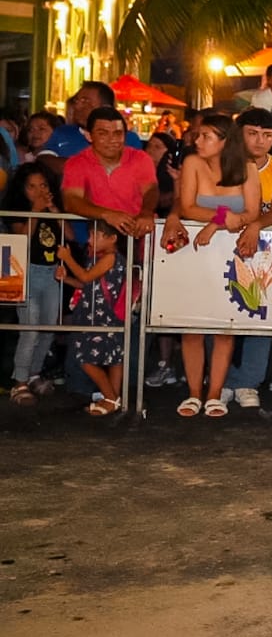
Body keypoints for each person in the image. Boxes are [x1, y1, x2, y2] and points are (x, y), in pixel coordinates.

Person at [173, 114, 260, 417]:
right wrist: (221, 219)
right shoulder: (193, 164)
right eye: (198, 136)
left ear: (225, 141)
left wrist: (215, 224)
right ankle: (194, 393)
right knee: (192, 328)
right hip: (196, 254)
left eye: (206, 136)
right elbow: (186, 207)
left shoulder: (247, 169)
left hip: (230, 255)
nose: (197, 141)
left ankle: (214, 394)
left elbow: (252, 212)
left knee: (225, 327)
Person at [216, 108, 272, 410]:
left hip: (264, 249)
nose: (260, 140)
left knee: (258, 313)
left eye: (267, 135)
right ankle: (221, 380)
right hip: (222, 245)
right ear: (240, 134)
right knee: (218, 315)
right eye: (253, 133)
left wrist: (254, 225)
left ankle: (248, 381)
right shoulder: (221, 164)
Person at [56, 220, 129, 415]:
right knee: (114, 358)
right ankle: (113, 398)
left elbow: (87, 278)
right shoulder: (103, 259)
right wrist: (67, 279)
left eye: (95, 235)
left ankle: (110, 397)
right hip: (104, 315)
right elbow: (86, 284)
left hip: (100, 317)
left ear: (113, 238)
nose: (89, 239)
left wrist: (68, 258)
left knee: (85, 358)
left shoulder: (110, 258)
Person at [6, 165, 65, 406]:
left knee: (48, 328)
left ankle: (34, 373)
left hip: (52, 273)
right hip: (27, 272)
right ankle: (19, 380)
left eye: (43, 185)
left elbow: (69, 236)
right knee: (29, 329)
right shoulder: (18, 212)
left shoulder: (54, 212)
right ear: (22, 190)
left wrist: (54, 211)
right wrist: (36, 211)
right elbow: (22, 238)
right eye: (32, 186)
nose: (39, 190)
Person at [60, 107, 158, 242]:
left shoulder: (140, 158)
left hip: (138, 237)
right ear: (89, 136)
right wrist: (107, 215)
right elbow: (71, 201)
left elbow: (151, 190)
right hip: (96, 242)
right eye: (103, 133)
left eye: (118, 133)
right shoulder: (76, 163)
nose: (112, 140)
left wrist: (146, 212)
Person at [37, 81, 144, 178]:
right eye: (76, 101)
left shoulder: (128, 139)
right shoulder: (62, 132)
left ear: (104, 107)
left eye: (85, 101)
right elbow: (44, 160)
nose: (77, 106)